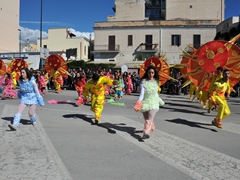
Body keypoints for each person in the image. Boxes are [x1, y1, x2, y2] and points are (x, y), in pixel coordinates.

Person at [134, 65, 165, 139]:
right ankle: (151, 126)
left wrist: (160, 101)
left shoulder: (156, 82)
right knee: (147, 120)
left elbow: (156, 94)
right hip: (145, 102)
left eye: (152, 73)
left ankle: (146, 133)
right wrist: (138, 103)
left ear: (154, 73)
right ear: (147, 73)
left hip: (154, 102)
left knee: (149, 119)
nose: (151, 74)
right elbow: (141, 94)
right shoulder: (143, 82)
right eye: (149, 73)